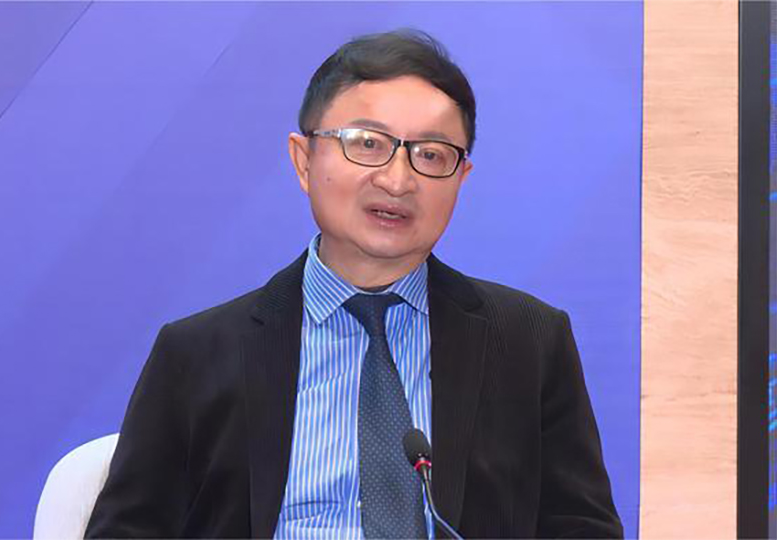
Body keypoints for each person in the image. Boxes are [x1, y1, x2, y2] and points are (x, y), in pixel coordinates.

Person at [85, 30, 623, 539]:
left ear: (461, 179)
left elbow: (581, 529)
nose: (398, 179)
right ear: (303, 160)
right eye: (367, 143)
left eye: (431, 154)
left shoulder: (529, 341)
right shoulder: (196, 354)